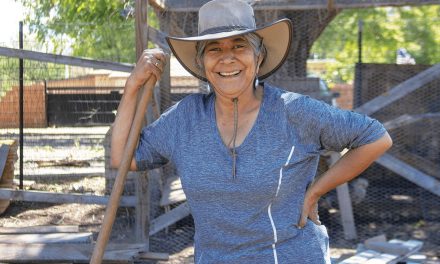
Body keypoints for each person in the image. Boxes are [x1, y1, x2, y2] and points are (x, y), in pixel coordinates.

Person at [111, 0, 393, 263]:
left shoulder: (291, 111)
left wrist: (315, 192)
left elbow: (376, 137)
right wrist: (132, 87)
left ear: (259, 57)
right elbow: (123, 158)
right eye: (214, 48)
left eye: (239, 45)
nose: (227, 58)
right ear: (201, 63)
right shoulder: (185, 117)